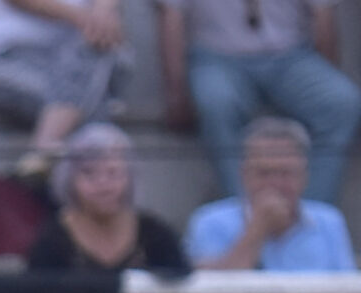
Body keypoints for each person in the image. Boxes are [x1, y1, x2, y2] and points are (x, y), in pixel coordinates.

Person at [158, 0, 357, 202]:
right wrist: (177, 94)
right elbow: (172, 17)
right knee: (215, 103)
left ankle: (309, 215)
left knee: (342, 103)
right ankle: (245, 213)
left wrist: (326, 72)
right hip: (216, 58)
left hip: (291, 56)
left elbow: (323, 16)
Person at [0, 0, 127, 174]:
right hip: (2, 58)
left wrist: (104, 9)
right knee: (94, 110)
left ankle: (44, 152)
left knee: (99, 47)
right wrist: (86, 19)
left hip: (76, 58)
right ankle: (52, 150)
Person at [185, 116, 356, 270]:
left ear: (304, 176)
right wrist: (258, 229)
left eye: (285, 173)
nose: (275, 184)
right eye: (264, 173)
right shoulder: (210, 222)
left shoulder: (329, 222)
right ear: (244, 175)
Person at [25, 123, 188, 274]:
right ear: (69, 179)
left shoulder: (154, 234)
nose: (103, 185)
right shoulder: (51, 240)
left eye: (113, 173)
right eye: (89, 173)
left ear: (130, 178)